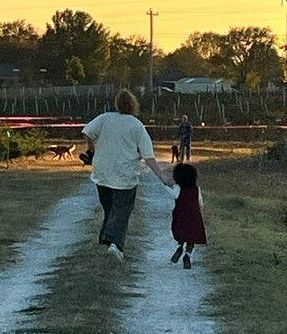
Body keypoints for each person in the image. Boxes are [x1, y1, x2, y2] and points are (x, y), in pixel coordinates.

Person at [82, 89, 171, 262]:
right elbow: (148, 156)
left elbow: (87, 132)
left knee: (109, 208)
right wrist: (161, 176)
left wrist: (91, 150)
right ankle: (116, 245)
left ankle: (105, 240)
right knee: (122, 210)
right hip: (125, 175)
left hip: (102, 172)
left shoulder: (105, 118)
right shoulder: (136, 125)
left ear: (117, 104)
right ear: (133, 105)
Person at [169, 162, 206, 270]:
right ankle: (188, 254)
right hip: (194, 216)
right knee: (191, 237)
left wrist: (165, 183)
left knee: (181, 234)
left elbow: (173, 194)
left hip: (180, 217)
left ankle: (180, 247)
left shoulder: (178, 188)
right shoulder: (196, 189)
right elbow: (200, 203)